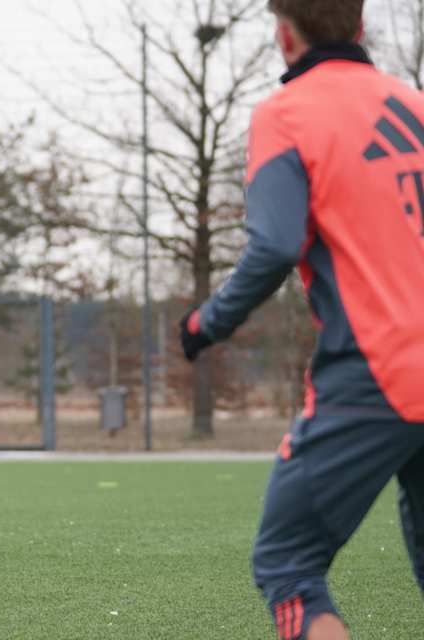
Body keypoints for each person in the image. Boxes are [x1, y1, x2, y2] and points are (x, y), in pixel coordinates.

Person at [178, 2, 424, 638]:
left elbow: (275, 246)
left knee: (288, 565)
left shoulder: (285, 115)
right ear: (361, 27)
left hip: (382, 370)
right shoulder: (415, 106)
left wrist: (207, 323)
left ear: (285, 34)